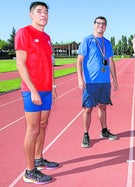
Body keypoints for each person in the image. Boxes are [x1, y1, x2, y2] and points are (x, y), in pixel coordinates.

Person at [15, 1, 59, 184]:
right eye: (39, 11)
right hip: (32, 90)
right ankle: (29, 170)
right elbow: (20, 64)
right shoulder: (24, 33)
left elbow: (49, 64)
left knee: (43, 124)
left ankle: (39, 159)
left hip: (47, 89)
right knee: (32, 129)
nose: (44, 15)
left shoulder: (47, 37)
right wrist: (33, 90)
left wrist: (53, 86)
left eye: (46, 12)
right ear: (31, 15)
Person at [77, 16, 119, 148]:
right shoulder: (87, 40)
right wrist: (80, 78)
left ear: (106, 27)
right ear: (94, 25)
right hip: (91, 82)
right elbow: (79, 60)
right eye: (98, 23)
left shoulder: (107, 43)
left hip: (105, 82)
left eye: (103, 24)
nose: (101, 25)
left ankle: (104, 130)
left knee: (103, 106)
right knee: (88, 109)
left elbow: (111, 62)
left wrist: (115, 80)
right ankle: (85, 134)